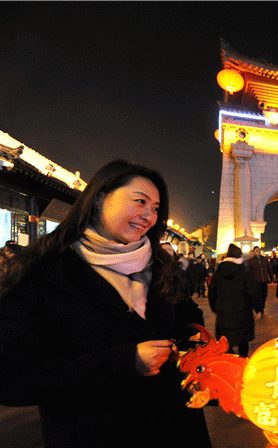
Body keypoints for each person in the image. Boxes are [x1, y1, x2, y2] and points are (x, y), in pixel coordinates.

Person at [0, 160, 212, 448]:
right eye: (140, 202)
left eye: (156, 208)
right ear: (99, 197)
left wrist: (194, 339)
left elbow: (187, 314)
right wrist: (126, 363)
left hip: (177, 430)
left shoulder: (161, 266)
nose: (149, 216)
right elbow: (13, 377)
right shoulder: (42, 274)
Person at [209, 243, 262, 357]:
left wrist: (214, 308)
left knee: (226, 340)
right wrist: (258, 309)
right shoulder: (245, 271)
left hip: (224, 312)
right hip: (243, 311)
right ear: (239, 257)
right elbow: (253, 291)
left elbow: (212, 292)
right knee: (243, 340)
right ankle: (242, 359)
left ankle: (231, 358)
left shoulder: (219, 272)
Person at [245, 246, 274, 315]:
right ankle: (260, 309)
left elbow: (269, 269)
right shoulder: (251, 261)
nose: (259, 251)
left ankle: (262, 307)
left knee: (264, 294)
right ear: (254, 252)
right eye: (257, 250)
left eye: (259, 250)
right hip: (256, 282)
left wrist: (271, 278)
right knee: (258, 295)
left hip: (264, 280)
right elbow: (248, 272)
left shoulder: (264, 259)